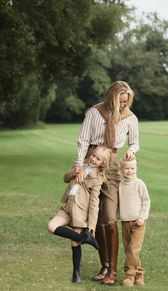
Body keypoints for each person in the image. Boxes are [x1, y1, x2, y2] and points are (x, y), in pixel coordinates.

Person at [75, 81, 139, 285]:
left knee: (110, 218)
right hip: (92, 163)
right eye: (120, 101)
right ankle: (104, 268)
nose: (123, 106)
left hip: (111, 166)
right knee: (93, 218)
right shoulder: (94, 112)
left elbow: (134, 142)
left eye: (126, 102)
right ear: (112, 97)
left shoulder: (130, 118)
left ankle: (112, 271)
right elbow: (83, 139)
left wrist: (132, 150)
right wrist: (79, 165)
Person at [47, 146, 112, 283]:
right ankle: (85, 238)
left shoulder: (97, 179)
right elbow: (65, 178)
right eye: (93, 155)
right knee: (51, 226)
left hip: (80, 211)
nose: (93, 159)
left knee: (74, 242)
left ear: (102, 163)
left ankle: (76, 274)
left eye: (98, 158)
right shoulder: (80, 164)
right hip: (67, 207)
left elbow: (94, 204)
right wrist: (75, 171)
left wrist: (91, 226)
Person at [119, 158, 150, 286]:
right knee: (129, 250)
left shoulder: (139, 184)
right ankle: (139, 274)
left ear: (136, 169)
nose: (129, 171)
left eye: (132, 168)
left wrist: (142, 217)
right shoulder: (120, 185)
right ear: (121, 169)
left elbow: (146, 201)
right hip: (125, 222)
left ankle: (129, 275)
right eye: (126, 168)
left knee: (133, 249)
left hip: (138, 223)